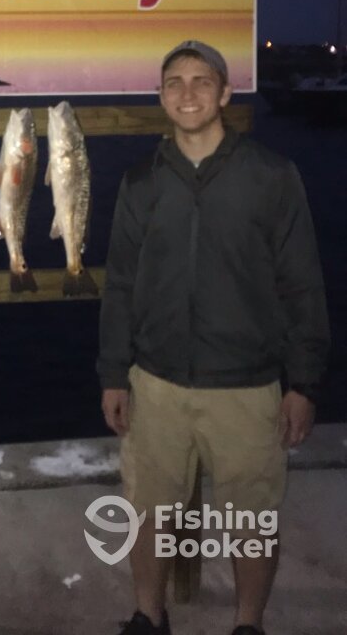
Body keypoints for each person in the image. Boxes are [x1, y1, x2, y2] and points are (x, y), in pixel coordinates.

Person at [98, 40, 329, 635]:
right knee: (148, 513)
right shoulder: (140, 182)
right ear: (160, 97)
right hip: (156, 384)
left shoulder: (271, 176)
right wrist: (113, 373)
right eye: (174, 82)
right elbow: (120, 285)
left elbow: (303, 284)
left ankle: (248, 623)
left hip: (247, 386)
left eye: (202, 81)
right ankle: (149, 615)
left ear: (225, 93)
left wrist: (303, 382)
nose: (188, 93)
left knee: (252, 522)